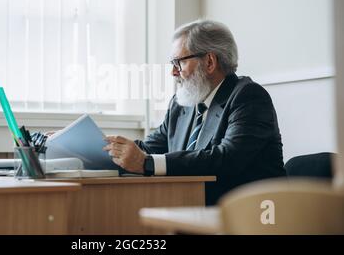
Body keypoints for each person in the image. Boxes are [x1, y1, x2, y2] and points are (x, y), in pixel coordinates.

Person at [103, 19, 286, 205]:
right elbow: (149, 148)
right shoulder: (181, 103)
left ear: (209, 62)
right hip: (193, 208)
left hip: (251, 214)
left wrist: (147, 163)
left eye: (178, 62)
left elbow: (226, 159)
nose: (173, 72)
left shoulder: (248, 96)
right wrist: (102, 152)